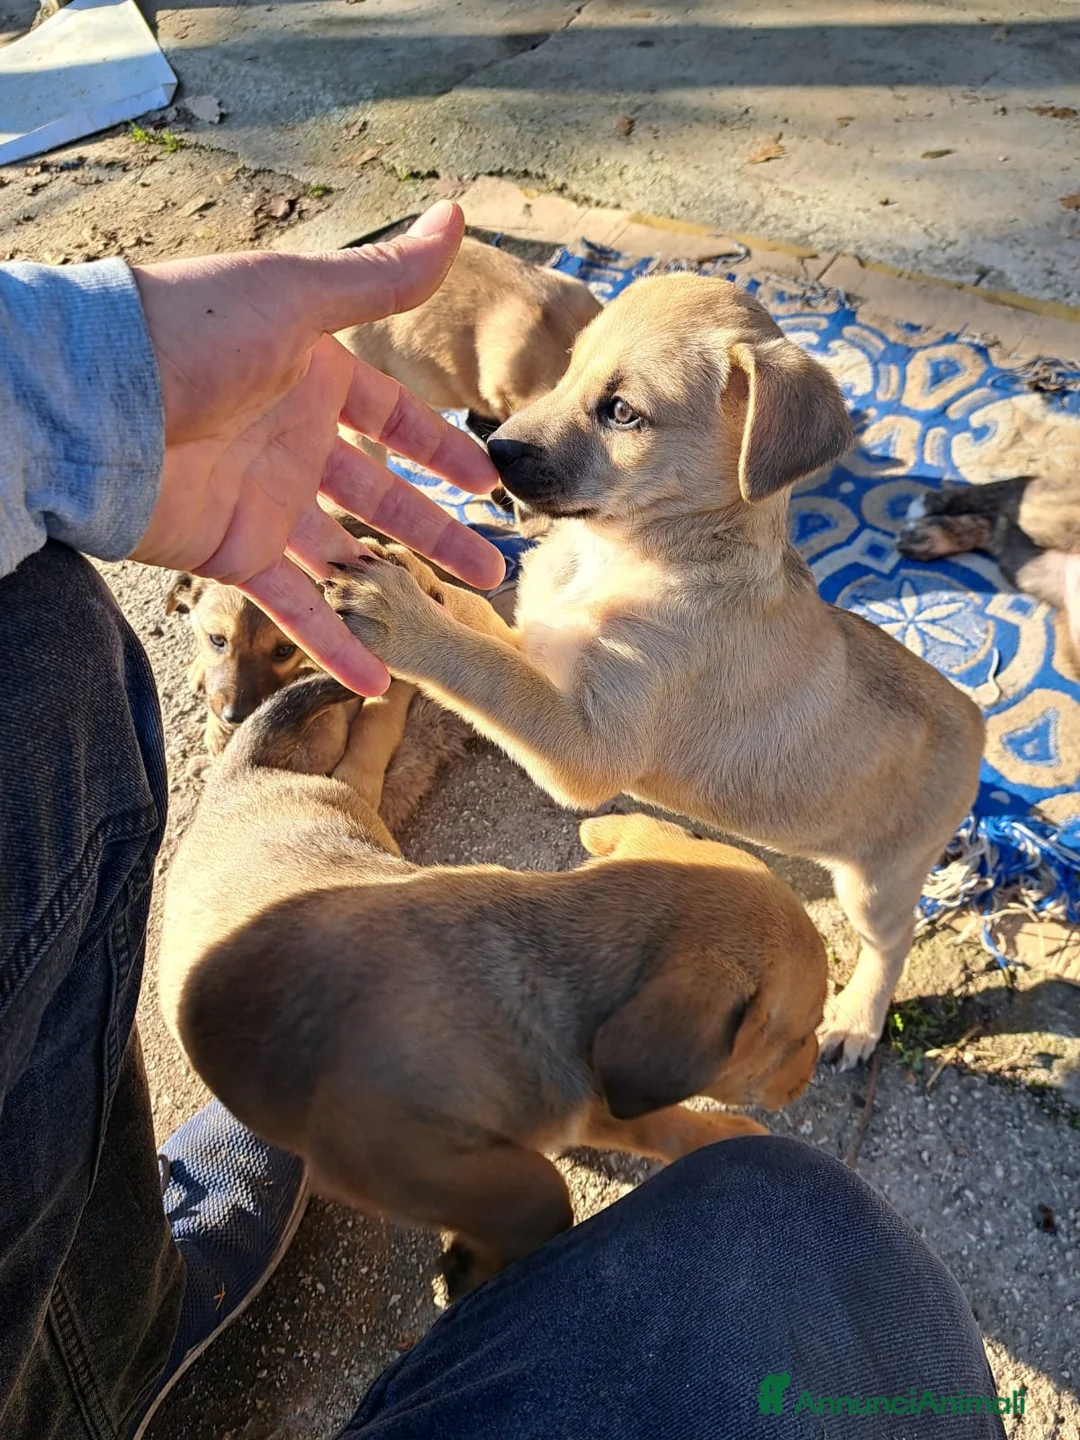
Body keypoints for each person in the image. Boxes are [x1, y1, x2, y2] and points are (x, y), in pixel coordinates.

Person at [0, 201, 1006, 1440]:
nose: (526, 431)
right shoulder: (602, 547)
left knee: (872, 901)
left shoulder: (700, 615)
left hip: (884, 798)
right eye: (577, 379)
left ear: (758, 446)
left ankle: (879, 979)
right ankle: (96, 1332)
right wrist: (458, 623)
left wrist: (427, 642)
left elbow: (581, 766)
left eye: (618, 414)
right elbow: (531, 650)